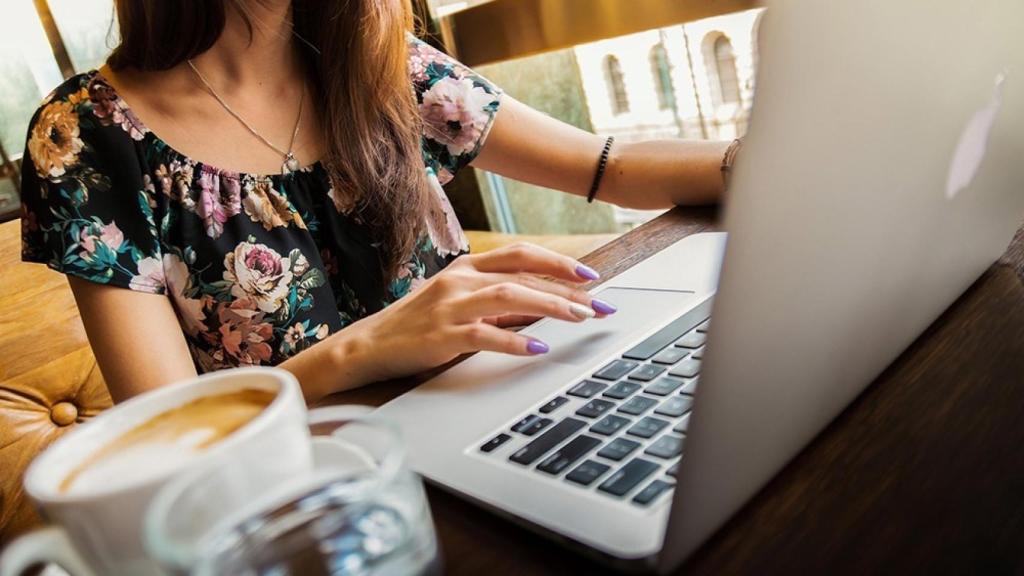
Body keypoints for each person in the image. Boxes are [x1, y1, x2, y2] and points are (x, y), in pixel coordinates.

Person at [19, 0, 734, 403]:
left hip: (491, 408)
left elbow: (607, 167)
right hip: (308, 498)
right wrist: (367, 348)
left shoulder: (381, 63)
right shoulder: (87, 136)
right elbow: (169, 428)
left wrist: (772, 159)